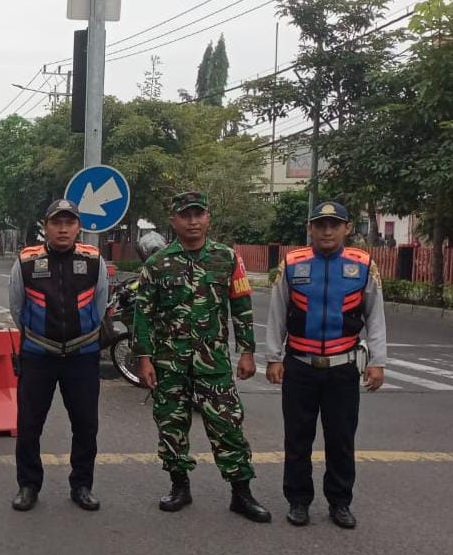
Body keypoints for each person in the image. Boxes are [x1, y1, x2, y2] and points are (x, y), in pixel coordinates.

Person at [133, 191, 272, 523]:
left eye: (198, 214)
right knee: (171, 424)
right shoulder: (157, 263)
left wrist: (248, 352)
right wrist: (145, 358)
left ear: (207, 218)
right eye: (185, 215)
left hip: (214, 362)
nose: (192, 221)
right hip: (170, 362)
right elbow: (143, 314)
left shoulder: (227, 259)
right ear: (174, 221)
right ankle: (179, 486)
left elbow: (241, 307)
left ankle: (242, 492)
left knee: (227, 425)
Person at [265, 201, 386, 529]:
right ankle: (298, 500)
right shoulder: (292, 264)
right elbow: (277, 312)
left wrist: (378, 361)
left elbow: (375, 316)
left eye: (334, 224)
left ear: (347, 228)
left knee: (341, 439)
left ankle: (340, 502)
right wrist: (274, 357)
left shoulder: (363, 265)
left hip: (342, 367)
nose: (327, 231)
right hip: (299, 366)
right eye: (320, 225)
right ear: (310, 229)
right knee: (297, 438)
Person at [7, 199, 108, 512]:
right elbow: (16, 308)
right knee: (29, 425)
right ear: (45, 226)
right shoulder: (26, 260)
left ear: (78, 226)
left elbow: (100, 306)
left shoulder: (93, 260)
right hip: (38, 356)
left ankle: (82, 485)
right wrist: (40, 337)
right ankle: (28, 485)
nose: (63, 229)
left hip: (83, 356)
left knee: (85, 424)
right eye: (56, 223)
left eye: (69, 222)